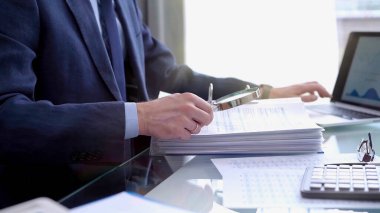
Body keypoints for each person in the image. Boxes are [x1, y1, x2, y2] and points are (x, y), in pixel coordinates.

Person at [0, 0, 331, 165]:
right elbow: (7, 116)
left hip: (140, 180)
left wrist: (263, 92)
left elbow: (171, 75)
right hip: (59, 194)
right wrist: (140, 117)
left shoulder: (122, 3)